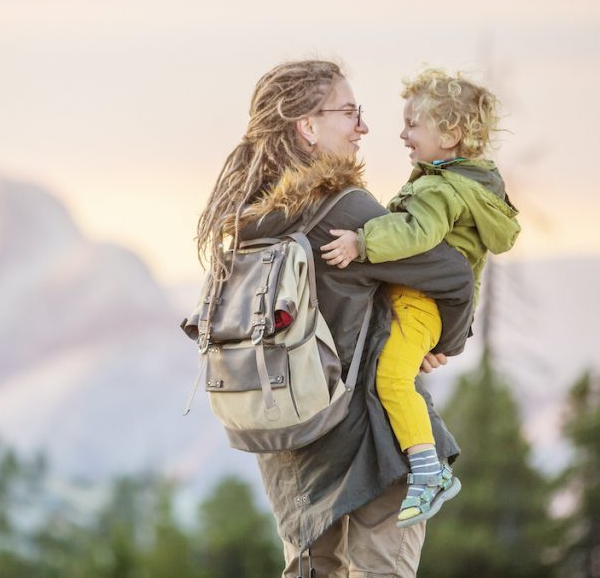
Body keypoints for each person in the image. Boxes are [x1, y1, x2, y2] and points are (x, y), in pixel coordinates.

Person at [196, 60, 476, 576]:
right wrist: (441, 341)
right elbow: (455, 277)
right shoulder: (346, 211)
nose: (363, 127)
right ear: (307, 126)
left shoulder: (248, 224)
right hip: (372, 443)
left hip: (291, 446)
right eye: (350, 112)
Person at [320, 67, 520, 527]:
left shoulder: (438, 188)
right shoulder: (467, 184)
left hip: (419, 304)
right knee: (396, 376)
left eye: (413, 124)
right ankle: (428, 468)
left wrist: (362, 243)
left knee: (392, 381)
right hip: (426, 308)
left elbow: (417, 232)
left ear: (449, 135)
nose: (403, 134)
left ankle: (429, 472)